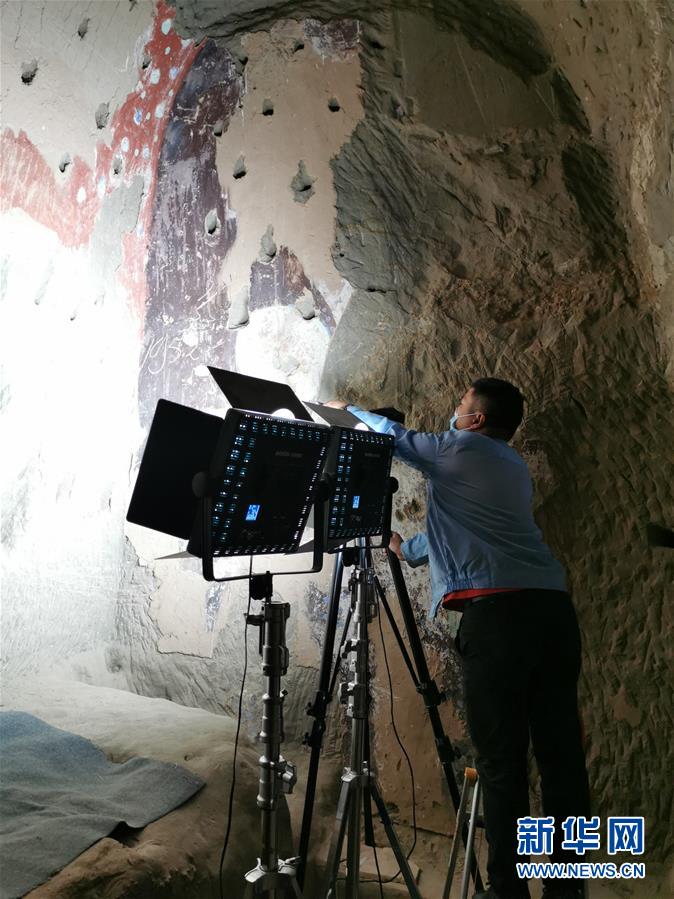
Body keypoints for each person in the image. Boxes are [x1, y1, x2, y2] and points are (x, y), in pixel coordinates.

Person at [326, 378, 590, 899]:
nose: (454, 410)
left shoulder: (457, 447)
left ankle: (506, 891)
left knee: (501, 763)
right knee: (561, 759)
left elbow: (395, 437)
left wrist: (345, 410)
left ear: (477, 420)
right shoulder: (510, 466)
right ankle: (568, 889)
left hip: (498, 620)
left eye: (461, 404)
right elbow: (466, 531)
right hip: (553, 615)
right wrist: (407, 549)